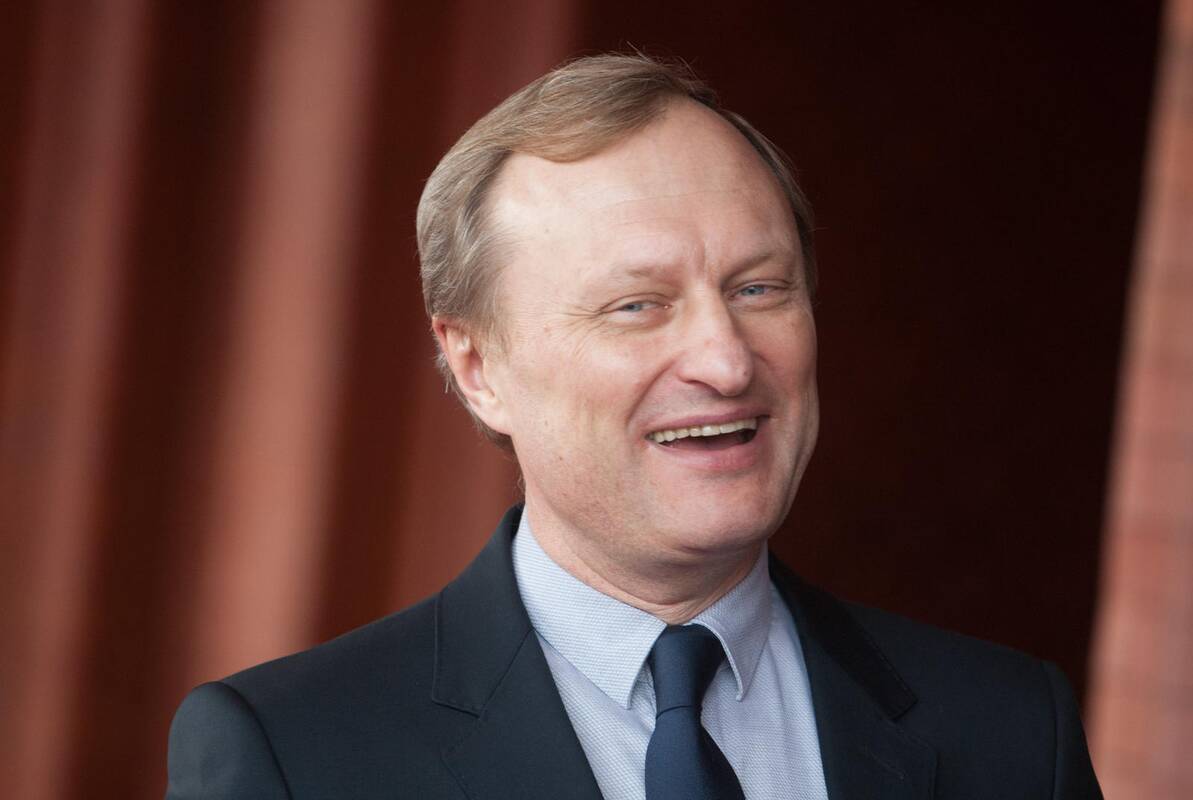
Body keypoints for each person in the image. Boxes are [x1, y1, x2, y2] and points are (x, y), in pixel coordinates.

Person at [166, 54, 1102, 799]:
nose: (726, 361)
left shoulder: (1013, 730)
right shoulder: (297, 755)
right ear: (479, 370)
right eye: (637, 306)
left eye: (758, 288)